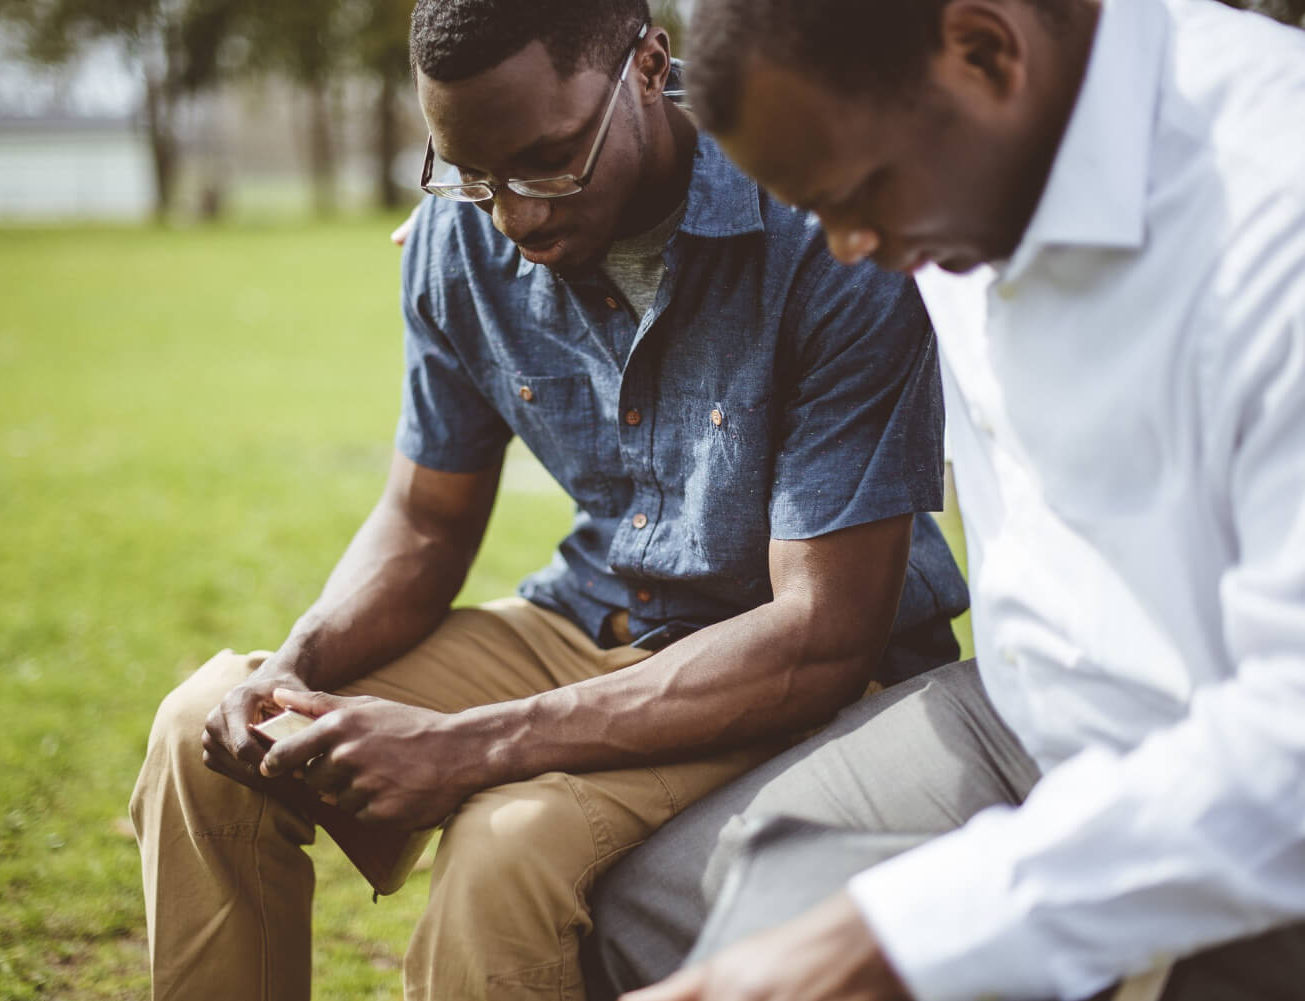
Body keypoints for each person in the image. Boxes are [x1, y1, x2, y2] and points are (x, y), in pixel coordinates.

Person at [128, 1, 971, 999]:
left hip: (773, 664)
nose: (515, 214)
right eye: (472, 172)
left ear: (649, 67)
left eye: (548, 160)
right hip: (591, 615)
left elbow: (822, 632)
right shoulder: (462, 232)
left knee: (504, 845)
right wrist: (300, 662)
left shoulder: (817, 229)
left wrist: (470, 745)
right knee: (208, 738)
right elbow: (425, 518)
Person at [583, 0, 1305, 999]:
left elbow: (1291, 749)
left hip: (1239, 777)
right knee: (657, 910)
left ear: (984, 48)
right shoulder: (950, 158)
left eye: (861, 193)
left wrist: (903, 934)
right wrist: (480, 211)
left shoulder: (1275, 209)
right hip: (1024, 716)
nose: (848, 244)